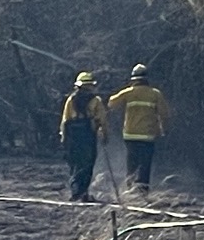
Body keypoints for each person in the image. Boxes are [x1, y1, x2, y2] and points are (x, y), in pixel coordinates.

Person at [110, 63, 172, 192]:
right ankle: (142, 190)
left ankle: (130, 187)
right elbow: (165, 114)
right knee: (145, 164)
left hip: (130, 135)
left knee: (131, 163)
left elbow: (111, 103)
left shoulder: (128, 92)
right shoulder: (155, 94)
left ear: (133, 79)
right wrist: (163, 129)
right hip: (147, 135)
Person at [60, 71, 109, 202]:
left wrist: (63, 138)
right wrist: (105, 135)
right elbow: (102, 120)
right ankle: (81, 192)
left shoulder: (71, 100)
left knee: (75, 163)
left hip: (73, 137)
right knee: (87, 164)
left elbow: (65, 121)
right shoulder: (96, 101)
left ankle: (76, 191)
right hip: (88, 136)